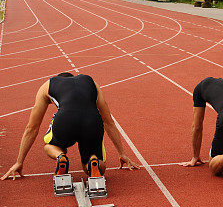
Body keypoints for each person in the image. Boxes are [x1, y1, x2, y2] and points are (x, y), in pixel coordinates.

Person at [1, 72, 138, 180]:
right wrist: (122, 153)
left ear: (58, 78)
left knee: (49, 145)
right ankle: (92, 161)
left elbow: (32, 128)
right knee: (98, 169)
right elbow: (108, 121)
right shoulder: (91, 82)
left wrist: (19, 161)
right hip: (92, 121)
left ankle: (60, 157)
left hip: (65, 122)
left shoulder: (48, 85)